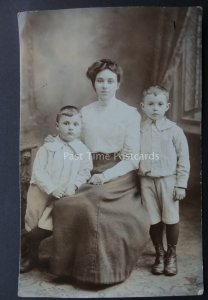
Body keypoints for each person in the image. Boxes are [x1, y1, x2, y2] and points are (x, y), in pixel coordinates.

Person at [49, 59, 150, 284]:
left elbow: (132, 158)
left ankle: (104, 273)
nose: (104, 86)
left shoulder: (129, 114)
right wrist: (55, 143)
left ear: (118, 84)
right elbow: (75, 142)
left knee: (100, 209)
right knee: (69, 203)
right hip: (89, 168)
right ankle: (70, 269)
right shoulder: (85, 112)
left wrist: (105, 175)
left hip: (120, 173)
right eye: (100, 81)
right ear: (94, 84)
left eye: (110, 81)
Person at [20, 106, 93, 273]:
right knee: (33, 224)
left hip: (64, 195)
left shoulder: (83, 151)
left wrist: (73, 185)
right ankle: (31, 258)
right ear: (57, 126)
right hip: (42, 192)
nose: (70, 127)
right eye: (66, 123)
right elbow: (38, 172)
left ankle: (58, 259)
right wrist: (52, 188)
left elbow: (85, 172)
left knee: (49, 225)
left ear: (81, 127)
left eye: (75, 124)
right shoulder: (48, 147)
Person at [139, 85, 190, 276]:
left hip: (168, 180)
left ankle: (172, 254)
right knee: (153, 218)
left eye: (159, 104)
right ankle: (159, 253)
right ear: (143, 106)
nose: (155, 108)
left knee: (170, 217)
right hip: (146, 180)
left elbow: (184, 158)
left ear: (167, 106)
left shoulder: (174, 130)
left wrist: (181, 184)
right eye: (150, 104)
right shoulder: (139, 129)